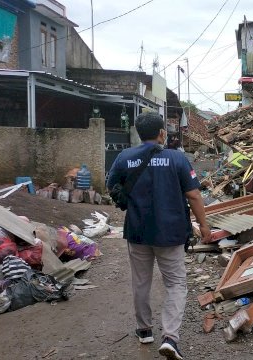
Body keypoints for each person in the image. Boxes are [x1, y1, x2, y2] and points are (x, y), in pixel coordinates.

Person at [107, 112, 211, 360]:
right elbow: (194, 195)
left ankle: (144, 331)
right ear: (162, 133)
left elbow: (112, 185)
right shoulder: (177, 159)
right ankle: (170, 338)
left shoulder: (124, 157)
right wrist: (204, 225)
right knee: (175, 284)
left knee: (141, 282)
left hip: (138, 231)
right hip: (171, 232)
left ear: (138, 133)